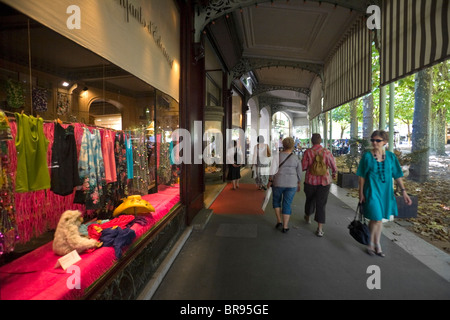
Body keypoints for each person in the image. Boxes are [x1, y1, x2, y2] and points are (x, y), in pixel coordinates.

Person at [357, 130, 412, 257]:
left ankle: (376, 243)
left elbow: (397, 175)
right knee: (376, 217)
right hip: (371, 191)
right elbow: (361, 177)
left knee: (379, 219)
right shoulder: (367, 157)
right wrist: (361, 193)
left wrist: (404, 192)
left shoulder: (391, 157)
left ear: (385, 142)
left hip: (386, 192)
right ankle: (371, 243)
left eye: (377, 140)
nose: (374, 143)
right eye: (372, 140)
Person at [302, 133, 337, 237]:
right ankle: (320, 229)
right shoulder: (326, 152)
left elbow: (303, 167)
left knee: (309, 200)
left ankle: (308, 217)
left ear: (311, 141)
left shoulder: (308, 152)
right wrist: (334, 173)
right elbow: (333, 165)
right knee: (321, 204)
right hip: (324, 182)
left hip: (310, 182)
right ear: (320, 141)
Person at [268, 137, 302, 233]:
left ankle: (279, 221)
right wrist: (298, 182)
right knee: (287, 204)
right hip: (291, 184)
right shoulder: (296, 158)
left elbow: (272, 170)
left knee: (276, 201)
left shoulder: (276, 156)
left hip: (278, 182)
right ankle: (285, 226)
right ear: (292, 146)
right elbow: (299, 172)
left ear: (283, 145)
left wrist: (270, 180)